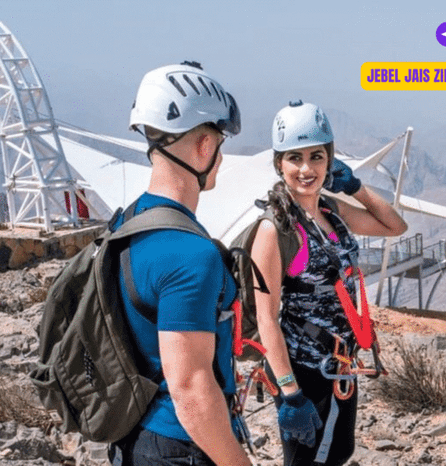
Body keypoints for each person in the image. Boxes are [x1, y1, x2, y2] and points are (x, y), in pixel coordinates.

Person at [108, 61, 252, 466]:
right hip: (180, 447)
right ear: (205, 146)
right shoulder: (193, 255)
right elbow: (189, 387)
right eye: (219, 145)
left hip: (132, 435)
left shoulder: (125, 221)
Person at [250, 101, 408, 466]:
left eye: (317, 157)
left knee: (338, 454)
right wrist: (290, 394)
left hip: (341, 364)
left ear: (330, 160)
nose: (307, 169)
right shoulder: (275, 229)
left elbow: (394, 227)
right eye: (295, 158)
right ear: (279, 164)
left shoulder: (331, 214)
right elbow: (266, 319)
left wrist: (355, 188)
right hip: (303, 370)